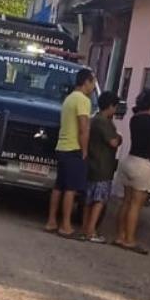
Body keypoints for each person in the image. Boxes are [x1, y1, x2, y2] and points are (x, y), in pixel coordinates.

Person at [114, 88, 150, 255]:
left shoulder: (135, 119)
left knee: (126, 202)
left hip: (130, 160)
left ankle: (120, 235)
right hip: (145, 166)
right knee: (136, 206)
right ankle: (130, 240)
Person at [45, 68, 97, 239]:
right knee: (71, 188)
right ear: (86, 82)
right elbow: (84, 128)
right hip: (74, 148)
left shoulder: (69, 99)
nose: (94, 86)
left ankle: (52, 221)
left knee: (59, 186)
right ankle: (65, 225)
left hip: (62, 146)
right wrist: (84, 150)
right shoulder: (83, 100)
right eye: (93, 82)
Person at [82, 91, 123, 244]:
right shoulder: (103, 122)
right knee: (99, 200)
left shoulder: (95, 120)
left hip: (92, 164)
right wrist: (119, 138)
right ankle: (91, 230)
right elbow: (113, 142)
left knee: (88, 200)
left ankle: (86, 228)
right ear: (111, 106)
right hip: (102, 166)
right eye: (115, 107)